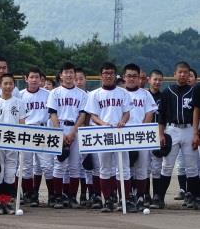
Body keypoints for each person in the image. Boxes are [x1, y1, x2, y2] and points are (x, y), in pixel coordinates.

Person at [84, 62, 133, 212]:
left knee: (123, 168)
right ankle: (108, 200)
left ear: (115, 75)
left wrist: (123, 122)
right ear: (101, 75)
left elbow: (127, 112)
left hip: (119, 133)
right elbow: (93, 115)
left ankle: (125, 199)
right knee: (104, 168)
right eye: (105, 73)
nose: (108, 75)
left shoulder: (123, 92)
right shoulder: (94, 94)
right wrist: (103, 123)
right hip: (102, 133)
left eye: (111, 73)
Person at [47, 62, 88, 209]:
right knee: (59, 165)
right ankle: (58, 196)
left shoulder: (82, 94)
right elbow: (52, 113)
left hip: (75, 129)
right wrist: (60, 133)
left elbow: (83, 115)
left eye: (71, 72)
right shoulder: (54, 93)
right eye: (66, 72)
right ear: (61, 75)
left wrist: (73, 132)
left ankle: (71, 197)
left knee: (75, 165)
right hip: (59, 128)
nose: (69, 75)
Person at [158, 61, 199, 209]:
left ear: (189, 75)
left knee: (192, 166)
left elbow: (197, 112)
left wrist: (196, 133)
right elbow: (161, 115)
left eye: (185, 72)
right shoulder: (167, 91)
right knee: (167, 165)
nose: (182, 74)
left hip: (189, 129)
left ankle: (195, 198)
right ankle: (159, 197)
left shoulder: (194, 91)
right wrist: (161, 134)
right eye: (180, 72)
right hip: (172, 129)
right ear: (174, 74)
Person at [0, 73, 26, 215]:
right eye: (5, 83)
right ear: (0, 85)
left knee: (9, 172)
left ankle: (7, 202)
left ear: (14, 85)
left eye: (11, 83)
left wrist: (22, 142)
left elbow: (22, 123)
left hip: (13, 141)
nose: (8, 86)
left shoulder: (19, 102)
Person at [122, 63, 157, 211]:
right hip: (123, 134)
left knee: (142, 167)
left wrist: (141, 129)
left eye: (134, 76)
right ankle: (127, 197)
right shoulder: (119, 93)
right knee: (125, 168)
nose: (131, 78)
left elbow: (150, 112)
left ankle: (141, 196)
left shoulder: (145, 94)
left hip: (140, 133)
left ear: (139, 78)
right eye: (128, 76)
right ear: (124, 77)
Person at [19, 67, 51, 207]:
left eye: (37, 77)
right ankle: (29, 194)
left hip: (43, 130)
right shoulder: (19, 95)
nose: (34, 80)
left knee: (47, 166)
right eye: (31, 77)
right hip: (26, 130)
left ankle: (53, 195)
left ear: (40, 79)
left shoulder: (48, 94)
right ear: (26, 78)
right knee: (26, 166)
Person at [147, 69, 164, 208]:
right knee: (144, 166)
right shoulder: (144, 95)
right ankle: (145, 194)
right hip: (144, 132)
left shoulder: (164, 96)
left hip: (158, 132)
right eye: (155, 79)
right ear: (149, 80)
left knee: (157, 166)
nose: (157, 82)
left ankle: (157, 195)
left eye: (159, 80)